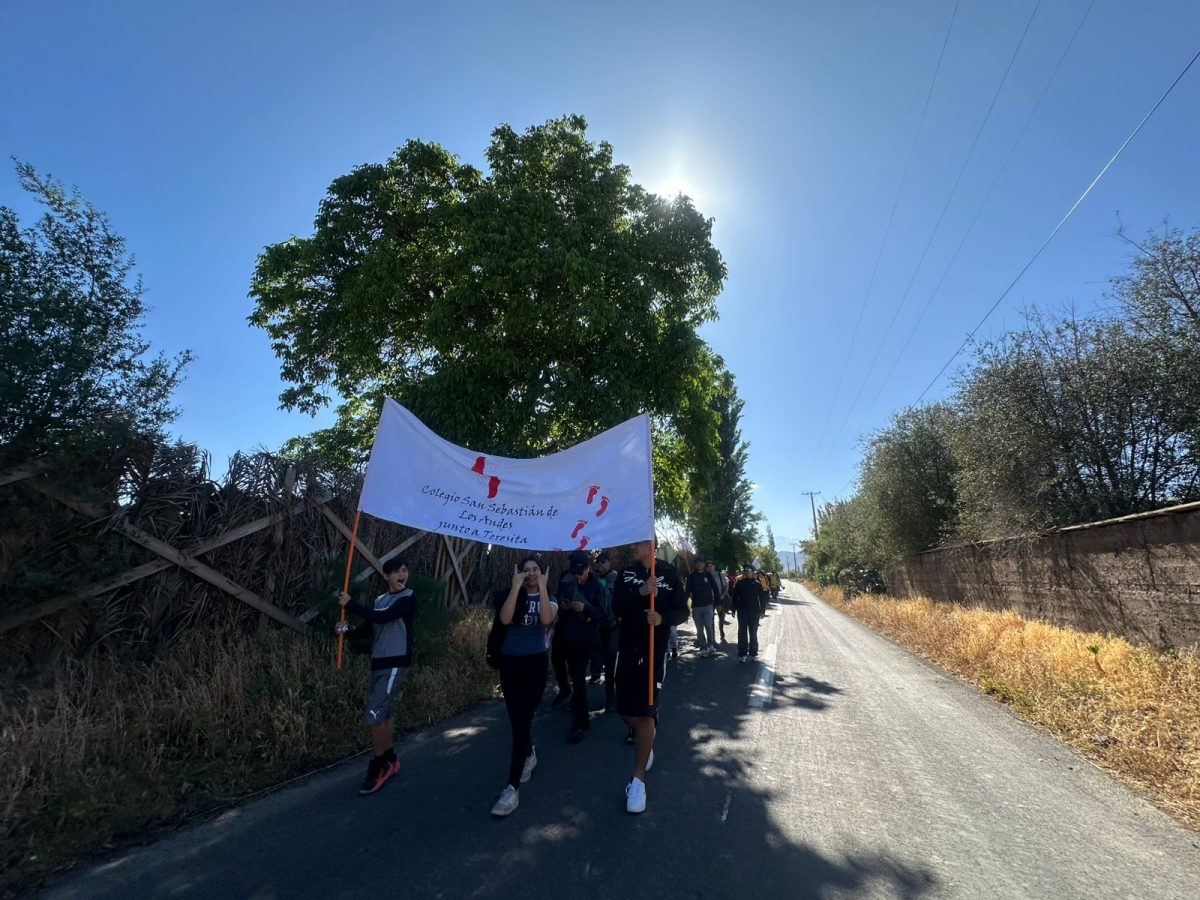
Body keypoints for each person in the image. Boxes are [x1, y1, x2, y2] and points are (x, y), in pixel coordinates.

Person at [613, 538, 687, 814]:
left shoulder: (669, 573)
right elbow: (617, 607)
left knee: (645, 713)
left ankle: (637, 782)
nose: (632, 545)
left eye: (639, 541)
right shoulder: (626, 573)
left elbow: (682, 611)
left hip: (655, 650)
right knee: (624, 711)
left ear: (652, 545)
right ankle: (648, 738)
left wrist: (663, 619)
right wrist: (642, 592)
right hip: (627, 648)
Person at [336, 556, 417, 796]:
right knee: (383, 715)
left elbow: (384, 617)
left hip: (396, 662)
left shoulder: (408, 598)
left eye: (404, 570)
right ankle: (390, 759)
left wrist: (350, 604)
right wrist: (348, 631)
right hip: (378, 662)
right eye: (396, 572)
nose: (402, 575)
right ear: (387, 576)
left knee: (373, 714)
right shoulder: (380, 600)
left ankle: (378, 764)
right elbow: (370, 627)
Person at [490, 556, 558, 817]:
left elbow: (547, 619)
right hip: (510, 664)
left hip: (535, 664)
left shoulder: (549, 599)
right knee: (516, 720)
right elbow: (505, 619)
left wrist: (542, 586)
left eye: (536, 570)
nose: (531, 574)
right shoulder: (513, 596)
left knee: (522, 723)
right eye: (526, 570)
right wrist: (515, 586)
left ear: (543, 573)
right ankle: (529, 753)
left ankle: (512, 788)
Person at [555, 549, 605, 743]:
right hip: (566, 632)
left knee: (578, 677)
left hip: (587, 636)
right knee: (566, 669)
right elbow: (557, 599)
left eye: (580, 572)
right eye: (574, 572)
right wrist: (564, 606)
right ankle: (572, 701)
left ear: (588, 568)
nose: (578, 576)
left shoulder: (597, 584)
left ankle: (580, 722)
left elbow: (604, 612)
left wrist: (587, 608)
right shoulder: (567, 579)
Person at [594, 551, 620, 712]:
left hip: (614, 624)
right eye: (599, 562)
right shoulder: (594, 579)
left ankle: (612, 697)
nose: (601, 565)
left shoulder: (616, 578)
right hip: (598, 625)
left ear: (610, 563)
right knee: (602, 659)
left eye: (604, 562)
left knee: (611, 660)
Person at [684, 556, 718, 657]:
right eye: (697, 562)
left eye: (701, 562)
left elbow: (715, 588)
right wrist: (684, 604)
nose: (699, 564)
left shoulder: (708, 575)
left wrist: (718, 602)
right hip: (696, 607)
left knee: (708, 624)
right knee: (699, 629)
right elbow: (687, 591)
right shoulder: (691, 576)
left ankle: (711, 644)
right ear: (695, 564)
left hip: (708, 605)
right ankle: (703, 647)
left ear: (704, 564)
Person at [732, 564, 764, 663]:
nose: (747, 571)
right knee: (742, 632)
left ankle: (753, 653)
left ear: (753, 572)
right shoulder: (739, 583)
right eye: (745, 570)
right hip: (742, 611)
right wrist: (733, 609)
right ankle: (742, 654)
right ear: (744, 572)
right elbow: (734, 597)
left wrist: (762, 611)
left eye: (749, 570)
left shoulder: (757, 584)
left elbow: (762, 598)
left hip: (754, 612)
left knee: (753, 633)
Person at [707, 560, 731, 645]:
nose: (710, 567)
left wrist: (723, 595)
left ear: (714, 566)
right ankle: (712, 637)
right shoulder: (705, 575)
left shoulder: (720, 575)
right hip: (709, 601)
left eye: (711, 565)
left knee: (721, 618)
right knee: (710, 619)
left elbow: (726, 585)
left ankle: (721, 633)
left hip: (719, 599)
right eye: (708, 566)